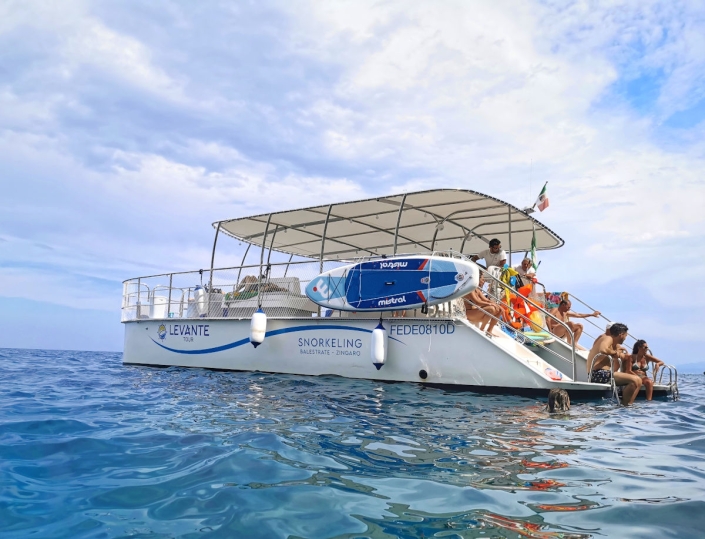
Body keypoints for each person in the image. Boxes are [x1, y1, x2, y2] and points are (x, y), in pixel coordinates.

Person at [587, 322, 642, 405]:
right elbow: (603, 349)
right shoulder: (608, 338)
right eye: (626, 336)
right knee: (635, 380)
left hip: (605, 373)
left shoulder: (615, 346)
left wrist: (623, 357)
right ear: (621, 334)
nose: (625, 338)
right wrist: (616, 353)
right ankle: (626, 406)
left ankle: (628, 405)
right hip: (596, 374)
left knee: (638, 380)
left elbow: (615, 366)